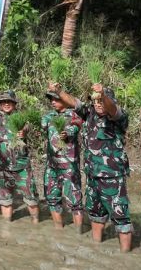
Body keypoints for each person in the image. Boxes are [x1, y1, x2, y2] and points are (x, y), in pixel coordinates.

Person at [50, 82, 132, 252]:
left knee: (121, 217)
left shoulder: (118, 117)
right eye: (95, 101)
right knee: (95, 215)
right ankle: (96, 247)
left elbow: (113, 108)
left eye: (101, 101)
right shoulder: (89, 114)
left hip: (112, 177)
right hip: (92, 175)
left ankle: (126, 257)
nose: (98, 104)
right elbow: (74, 103)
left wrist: (103, 95)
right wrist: (59, 91)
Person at [0, 90, 40, 223]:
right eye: (3, 102)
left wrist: (23, 132)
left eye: (9, 101)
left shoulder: (22, 117)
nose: (6, 104)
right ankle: (6, 229)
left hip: (22, 167)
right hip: (4, 167)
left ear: (14, 103)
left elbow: (27, 126)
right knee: (5, 200)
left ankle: (35, 224)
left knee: (31, 199)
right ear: (0, 104)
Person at [42, 90, 83, 231]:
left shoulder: (74, 115)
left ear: (65, 100)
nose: (53, 101)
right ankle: (58, 230)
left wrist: (67, 133)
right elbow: (40, 126)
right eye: (51, 99)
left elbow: (76, 127)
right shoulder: (48, 116)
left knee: (74, 200)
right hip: (52, 165)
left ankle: (78, 233)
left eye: (56, 99)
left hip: (69, 166)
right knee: (52, 198)